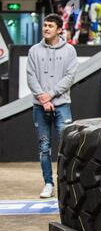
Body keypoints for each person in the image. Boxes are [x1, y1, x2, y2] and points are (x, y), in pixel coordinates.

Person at [27, 14, 78, 198]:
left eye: (50, 26)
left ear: (59, 30)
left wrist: (52, 94)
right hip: (39, 106)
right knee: (44, 147)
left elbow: (70, 77)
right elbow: (31, 76)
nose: (46, 28)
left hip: (62, 105)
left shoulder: (70, 51)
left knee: (66, 145)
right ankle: (48, 183)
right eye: (45, 25)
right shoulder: (34, 50)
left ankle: (66, 183)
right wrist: (43, 98)